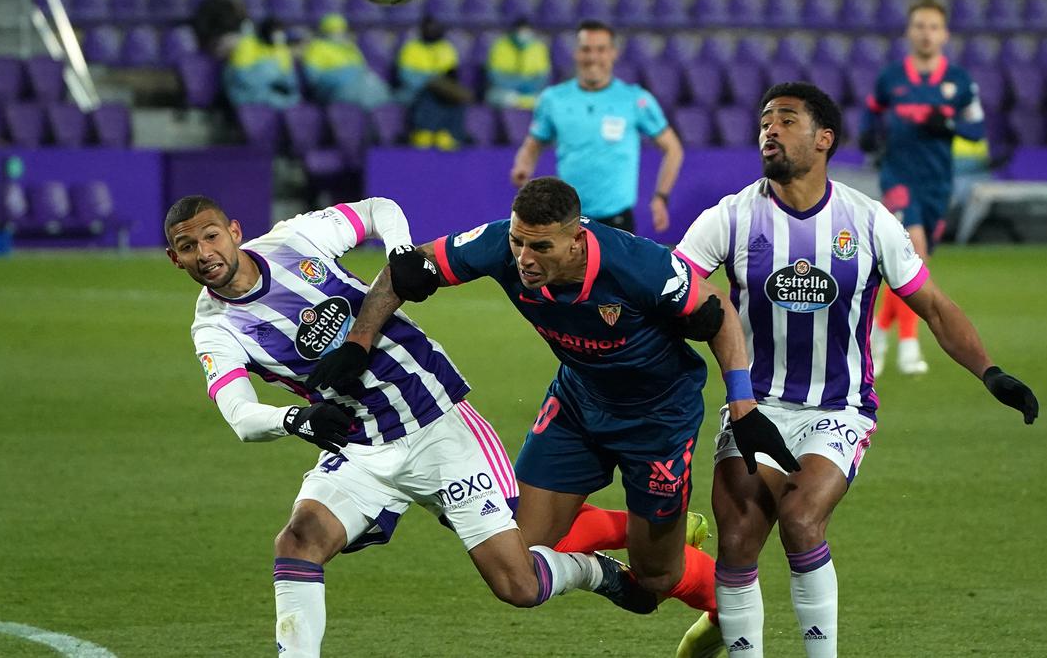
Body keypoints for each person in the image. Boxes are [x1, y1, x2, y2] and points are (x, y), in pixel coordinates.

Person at [165, 195, 657, 658]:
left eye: (211, 236)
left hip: (438, 423)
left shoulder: (295, 240)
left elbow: (378, 209)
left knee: (519, 584)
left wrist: (400, 251)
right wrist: (294, 418)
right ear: (175, 259)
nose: (205, 253)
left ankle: (595, 572)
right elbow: (240, 415)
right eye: (188, 247)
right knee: (298, 542)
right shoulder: (214, 328)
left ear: (234, 231)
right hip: (360, 445)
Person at [307, 176, 801, 628]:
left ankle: (716, 602)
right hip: (578, 403)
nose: (524, 258)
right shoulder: (498, 245)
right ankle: (605, 566)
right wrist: (360, 340)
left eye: (541, 247)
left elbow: (719, 312)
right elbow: (408, 267)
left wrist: (743, 408)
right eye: (518, 242)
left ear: (576, 240)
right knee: (518, 547)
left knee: (656, 579)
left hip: (659, 419)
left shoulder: (638, 265)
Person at [671, 82, 1039, 658]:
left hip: (838, 409)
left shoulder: (868, 221)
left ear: (824, 138)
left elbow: (934, 306)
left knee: (801, 518)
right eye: (764, 121)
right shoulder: (731, 217)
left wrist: (990, 372)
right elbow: (672, 289)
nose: (769, 130)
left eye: (786, 120)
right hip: (754, 407)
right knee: (738, 538)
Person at [858, 0, 986, 375]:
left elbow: (977, 129)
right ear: (909, 32)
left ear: (944, 34)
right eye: (919, 26)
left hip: (937, 184)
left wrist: (946, 123)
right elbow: (870, 113)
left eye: (933, 27)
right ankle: (910, 346)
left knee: (912, 262)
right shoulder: (891, 78)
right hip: (898, 177)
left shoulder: (959, 81)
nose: (926, 33)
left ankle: (879, 333)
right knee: (916, 252)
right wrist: (868, 138)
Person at [510, 20, 683, 234]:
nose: (592, 57)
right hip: (568, 216)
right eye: (586, 49)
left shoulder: (635, 100)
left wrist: (661, 196)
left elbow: (673, 149)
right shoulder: (553, 99)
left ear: (613, 53)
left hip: (617, 218)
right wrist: (523, 166)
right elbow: (533, 144)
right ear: (576, 53)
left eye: (601, 50)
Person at [396, 15, 471, 150]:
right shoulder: (411, 48)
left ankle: (449, 134)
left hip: (441, 88)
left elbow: (452, 74)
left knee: (454, 97)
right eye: (428, 28)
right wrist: (429, 80)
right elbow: (406, 76)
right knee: (429, 96)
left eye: (434, 28)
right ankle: (424, 133)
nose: (431, 31)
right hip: (416, 89)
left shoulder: (446, 48)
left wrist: (441, 83)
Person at [301, 13, 392, 111]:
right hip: (333, 90)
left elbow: (362, 69)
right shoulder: (316, 48)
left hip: (358, 87)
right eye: (333, 30)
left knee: (374, 85)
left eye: (340, 29)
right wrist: (341, 76)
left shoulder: (350, 47)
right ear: (325, 31)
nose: (338, 33)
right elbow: (313, 78)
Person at [223, 17, 301, 109]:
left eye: (281, 32)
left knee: (294, 99)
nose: (279, 36)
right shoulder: (247, 44)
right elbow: (241, 77)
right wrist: (268, 85)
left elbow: (289, 77)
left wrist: (284, 86)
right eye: (275, 32)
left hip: (271, 93)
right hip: (245, 92)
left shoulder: (282, 49)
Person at [484, 16, 551, 110]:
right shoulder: (500, 46)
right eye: (521, 31)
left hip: (531, 92)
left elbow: (542, 77)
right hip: (506, 91)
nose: (523, 34)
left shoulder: (539, 48)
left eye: (527, 31)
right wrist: (520, 83)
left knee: (547, 100)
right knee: (494, 96)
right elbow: (495, 76)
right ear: (514, 32)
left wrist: (527, 86)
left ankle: (526, 103)